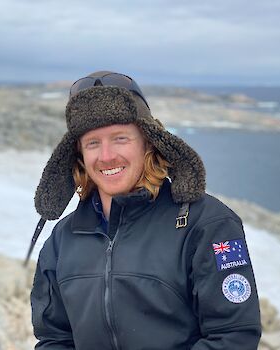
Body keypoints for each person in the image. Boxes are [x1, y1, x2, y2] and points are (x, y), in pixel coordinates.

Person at [28, 70, 262, 349]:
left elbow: (233, 337)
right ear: (79, 154)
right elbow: (55, 338)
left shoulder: (206, 224)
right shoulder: (63, 239)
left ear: (149, 142)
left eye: (120, 138)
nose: (106, 156)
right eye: (93, 143)